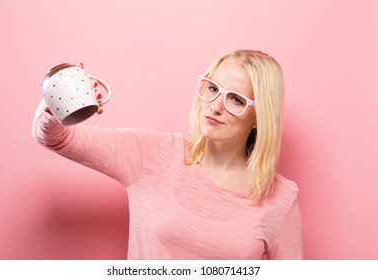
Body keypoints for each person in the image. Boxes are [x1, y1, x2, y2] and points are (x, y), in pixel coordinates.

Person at [32, 49, 303, 259]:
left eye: (236, 99)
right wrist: (57, 99)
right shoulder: (152, 155)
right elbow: (56, 138)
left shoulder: (279, 198)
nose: (216, 106)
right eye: (212, 88)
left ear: (259, 116)